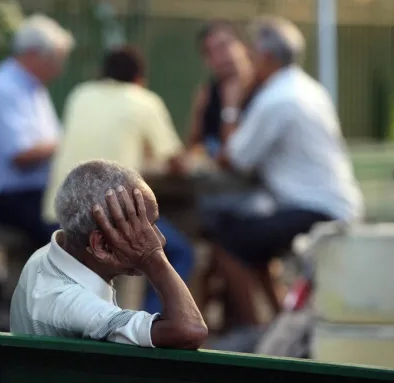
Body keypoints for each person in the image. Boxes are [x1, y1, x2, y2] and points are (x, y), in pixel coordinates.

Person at [41, 47, 194, 314]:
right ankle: (153, 325)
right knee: (179, 252)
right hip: (106, 220)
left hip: (56, 213)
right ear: (139, 78)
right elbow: (176, 163)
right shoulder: (144, 100)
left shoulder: (80, 94)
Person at [213, 16, 363, 268]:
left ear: (267, 56)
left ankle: (262, 308)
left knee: (226, 240)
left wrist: (230, 104)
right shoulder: (309, 89)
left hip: (313, 210)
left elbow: (234, 158)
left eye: (252, 55)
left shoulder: (274, 98)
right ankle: (280, 307)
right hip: (339, 206)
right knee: (250, 236)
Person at [10, 160, 208, 349]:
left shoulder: (44, 257)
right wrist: (152, 257)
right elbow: (190, 330)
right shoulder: (72, 305)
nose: (160, 240)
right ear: (101, 245)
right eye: (142, 230)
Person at [0, 14, 75, 248]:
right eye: (55, 59)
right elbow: (21, 155)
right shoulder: (4, 89)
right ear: (32, 54)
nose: (59, 69)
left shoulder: (33, 87)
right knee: (78, 239)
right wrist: (70, 143)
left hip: (38, 193)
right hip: (13, 198)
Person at [186, 20, 258, 158]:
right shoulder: (207, 94)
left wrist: (230, 108)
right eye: (211, 52)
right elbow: (194, 143)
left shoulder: (264, 90)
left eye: (224, 46)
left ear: (243, 46)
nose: (220, 56)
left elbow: (235, 154)